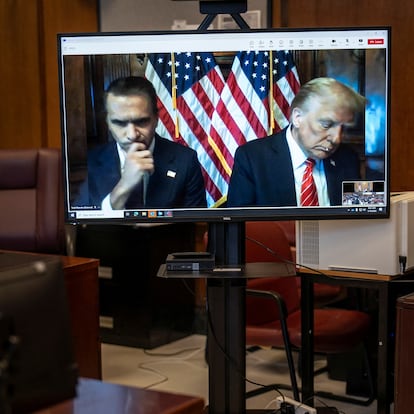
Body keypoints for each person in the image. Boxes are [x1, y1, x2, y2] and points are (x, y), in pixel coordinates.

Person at [227, 77, 366, 207]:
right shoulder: (252, 158)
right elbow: (240, 225)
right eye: (326, 125)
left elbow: (360, 213)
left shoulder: (347, 158)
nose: (336, 138)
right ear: (298, 117)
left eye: (344, 128)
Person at [75, 76, 207, 210]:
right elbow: (82, 225)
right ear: (107, 122)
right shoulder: (90, 162)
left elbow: (194, 226)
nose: (132, 135)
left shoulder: (185, 160)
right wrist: (124, 186)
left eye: (141, 121)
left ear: (156, 119)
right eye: (120, 123)